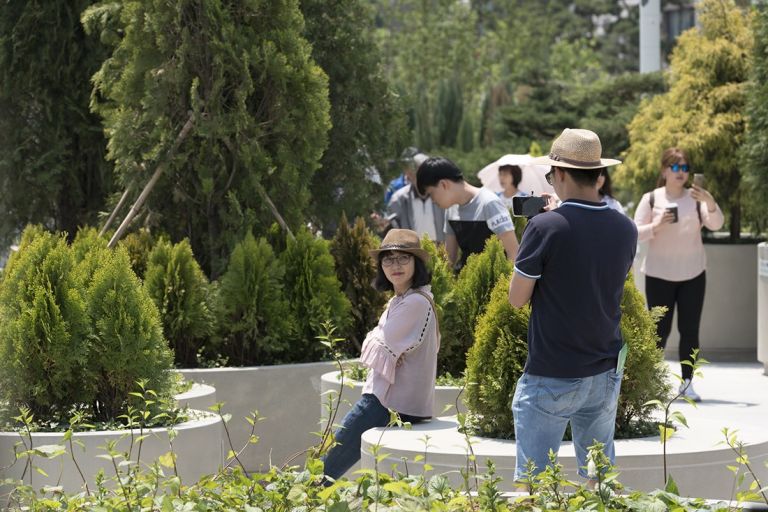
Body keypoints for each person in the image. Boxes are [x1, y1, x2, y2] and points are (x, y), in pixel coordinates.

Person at [508, 128, 637, 484]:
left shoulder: (545, 226)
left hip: (553, 371)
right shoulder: (626, 228)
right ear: (599, 175)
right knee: (599, 481)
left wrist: (539, 225)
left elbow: (517, 299)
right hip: (604, 371)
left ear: (560, 174)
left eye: (551, 174)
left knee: (536, 485)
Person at [322, 229, 440, 482]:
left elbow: (376, 345)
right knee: (330, 465)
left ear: (416, 263)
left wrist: (374, 335)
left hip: (389, 403)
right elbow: (381, 344)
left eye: (403, 258)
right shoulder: (400, 300)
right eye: (388, 259)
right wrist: (378, 336)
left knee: (325, 470)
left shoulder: (415, 303)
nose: (395, 265)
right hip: (384, 399)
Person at [633, 147, 724, 402]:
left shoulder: (696, 200)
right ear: (664, 170)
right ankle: (650, 382)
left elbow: (716, 224)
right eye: (675, 167)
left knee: (690, 330)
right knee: (659, 331)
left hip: (693, 274)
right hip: (659, 275)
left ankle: (687, 383)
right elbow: (635, 232)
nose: (681, 172)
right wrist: (657, 225)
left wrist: (710, 201)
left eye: (684, 168)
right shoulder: (651, 198)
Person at [416, 156, 519, 271]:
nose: (432, 201)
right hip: (464, 281)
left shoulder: (489, 203)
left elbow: (513, 253)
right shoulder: (451, 210)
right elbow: (450, 258)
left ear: (444, 184)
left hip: (495, 281)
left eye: (431, 194)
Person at [386, 152, 446, 242]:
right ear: (408, 173)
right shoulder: (398, 199)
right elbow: (391, 228)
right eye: (418, 170)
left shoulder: (443, 196)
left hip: (441, 250)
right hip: (412, 251)